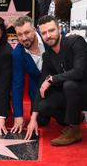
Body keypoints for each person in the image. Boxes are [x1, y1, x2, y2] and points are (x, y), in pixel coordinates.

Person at [26, 15, 87, 146]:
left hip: (84, 90)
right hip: (72, 97)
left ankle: (74, 130)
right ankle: (75, 118)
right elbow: (41, 84)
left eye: (51, 30)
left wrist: (53, 79)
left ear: (59, 29)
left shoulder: (76, 41)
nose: (48, 35)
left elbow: (79, 71)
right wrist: (33, 118)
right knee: (43, 105)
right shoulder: (47, 56)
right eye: (44, 33)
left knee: (69, 84)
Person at [11, 16, 50, 134]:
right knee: (42, 121)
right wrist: (18, 115)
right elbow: (17, 84)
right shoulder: (17, 53)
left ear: (34, 29)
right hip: (37, 90)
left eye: (27, 32)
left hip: (58, 83)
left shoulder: (47, 38)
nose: (23, 38)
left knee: (64, 120)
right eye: (19, 34)